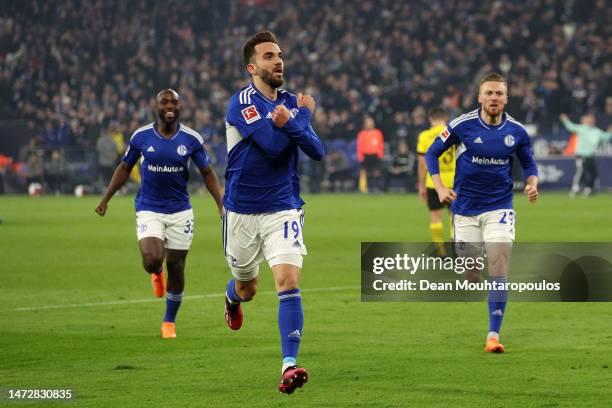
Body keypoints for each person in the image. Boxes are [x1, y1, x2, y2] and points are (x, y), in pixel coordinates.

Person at [222, 31, 324, 394]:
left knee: (288, 282)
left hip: (283, 206)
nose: (278, 61)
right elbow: (272, 146)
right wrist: (303, 115)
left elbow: (317, 151)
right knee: (248, 287)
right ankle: (233, 297)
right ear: (252, 67)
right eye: (268, 56)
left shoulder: (288, 102)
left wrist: (296, 118)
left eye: (279, 55)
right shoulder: (241, 103)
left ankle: (289, 365)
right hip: (242, 210)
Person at [95, 89, 223, 339]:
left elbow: (207, 172)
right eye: (164, 101)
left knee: (177, 267)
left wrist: (220, 203)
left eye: (174, 101)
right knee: (153, 260)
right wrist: (106, 199)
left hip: (180, 212)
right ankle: (156, 273)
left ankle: (169, 321)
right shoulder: (141, 136)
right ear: (155, 106)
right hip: (149, 208)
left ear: (180, 106)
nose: (169, 105)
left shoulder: (191, 139)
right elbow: (125, 167)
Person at [425, 73, 539, 354]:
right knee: (472, 274)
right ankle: (470, 272)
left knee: (499, 267)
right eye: (489, 93)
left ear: (506, 98)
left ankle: (492, 336)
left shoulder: (517, 131)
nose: (494, 98)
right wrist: (439, 187)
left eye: (499, 94)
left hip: (499, 207)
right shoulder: (462, 125)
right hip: (463, 210)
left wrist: (532, 183)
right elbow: (431, 152)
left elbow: (529, 164)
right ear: (480, 97)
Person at [416, 107, 454, 249]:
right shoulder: (453, 133)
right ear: (445, 119)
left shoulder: (425, 136)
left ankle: (440, 249)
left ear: (430, 119)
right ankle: (455, 247)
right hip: (453, 180)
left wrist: (421, 185)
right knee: (454, 215)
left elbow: (421, 163)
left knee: (435, 215)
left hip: (433, 182)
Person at [559, 113, 611, 197]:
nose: (591, 121)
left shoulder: (596, 131)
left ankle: (588, 189)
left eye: (592, 119)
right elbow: (570, 126)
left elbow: (606, 137)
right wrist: (565, 119)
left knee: (593, 173)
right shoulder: (582, 129)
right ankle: (575, 188)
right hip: (581, 155)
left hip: (590, 156)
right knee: (581, 171)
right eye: (589, 119)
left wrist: (610, 131)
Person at [356, 115, 384, 193]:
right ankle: (369, 188)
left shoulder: (378, 133)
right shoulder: (362, 134)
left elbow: (380, 145)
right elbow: (359, 146)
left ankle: (378, 188)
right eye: (368, 122)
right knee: (367, 173)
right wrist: (360, 156)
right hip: (366, 155)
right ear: (365, 124)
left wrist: (380, 155)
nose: (369, 124)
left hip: (375, 155)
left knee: (376, 172)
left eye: (371, 122)